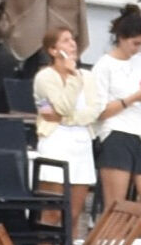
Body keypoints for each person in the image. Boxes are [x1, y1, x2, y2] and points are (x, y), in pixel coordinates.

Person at [91, 8, 141, 210]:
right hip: (115, 133)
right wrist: (132, 98)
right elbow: (99, 111)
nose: (139, 49)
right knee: (116, 208)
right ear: (121, 38)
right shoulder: (104, 66)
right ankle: (113, 241)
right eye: (135, 43)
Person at [30, 16, 105, 198]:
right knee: (53, 210)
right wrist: (71, 78)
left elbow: (95, 109)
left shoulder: (87, 77)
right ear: (53, 50)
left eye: (73, 40)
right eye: (65, 41)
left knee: (75, 211)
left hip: (81, 144)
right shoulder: (44, 78)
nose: (72, 44)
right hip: (56, 142)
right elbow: (60, 106)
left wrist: (67, 119)